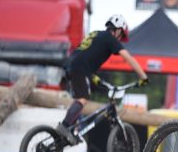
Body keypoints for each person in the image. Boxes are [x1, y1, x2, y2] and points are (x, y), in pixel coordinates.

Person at [57, 15, 148, 144]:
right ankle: (65, 126)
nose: (120, 39)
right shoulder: (110, 38)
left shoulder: (95, 34)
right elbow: (128, 58)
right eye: (121, 35)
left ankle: (70, 131)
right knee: (83, 98)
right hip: (79, 68)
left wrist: (95, 78)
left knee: (79, 99)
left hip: (70, 65)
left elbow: (85, 55)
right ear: (117, 30)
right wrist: (143, 77)